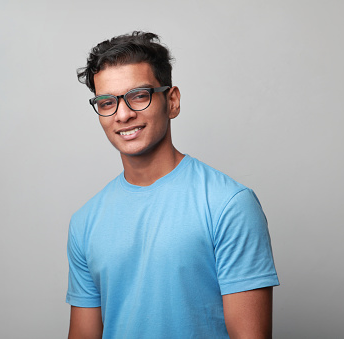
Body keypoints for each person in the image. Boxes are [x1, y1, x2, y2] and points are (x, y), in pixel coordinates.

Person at [66, 31, 279, 339]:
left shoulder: (229, 203)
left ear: (172, 101)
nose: (123, 114)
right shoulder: (84, 222)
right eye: (107, 101)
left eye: (139, 95)